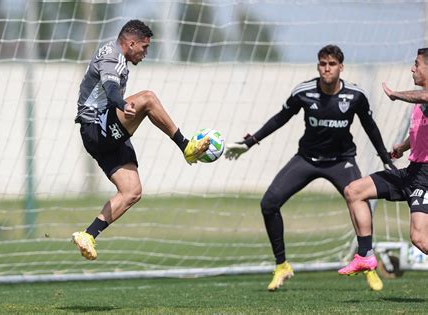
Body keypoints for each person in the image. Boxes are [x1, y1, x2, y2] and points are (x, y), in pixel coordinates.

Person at [225, 44, 392, 291]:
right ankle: (282, 265)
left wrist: (384, 157)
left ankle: (367, 262)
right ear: (318, 66)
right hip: (307, 159)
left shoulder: (355, 95)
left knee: (360, 201)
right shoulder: (304, 92)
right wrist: (250, 142)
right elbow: (280, 118)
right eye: (323, 64)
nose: (327, 69)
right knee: (269, 203)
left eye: (332, 64)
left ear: (341, 67)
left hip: (341, 160)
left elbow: (370, 125)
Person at [72, 20, 210, 260]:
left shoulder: (121, 60)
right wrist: (123, 104)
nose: (145, 54)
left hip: (106, 132)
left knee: (132, 191)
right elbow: (112, 90)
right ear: (131, 43)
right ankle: (186, 146)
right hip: (95, 126)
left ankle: (88, 234)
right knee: (148, 98)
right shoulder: (111, 57)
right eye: (144, 48)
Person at [338, 48, 428, 277]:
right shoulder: (420, 102)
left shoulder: (423, 97)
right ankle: (365, 256)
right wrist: (403, 146)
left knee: (419, 238)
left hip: (426, 177)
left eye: (416, 64)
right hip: (412, 171)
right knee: (354, 191)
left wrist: (396, 94)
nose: (412, 68)